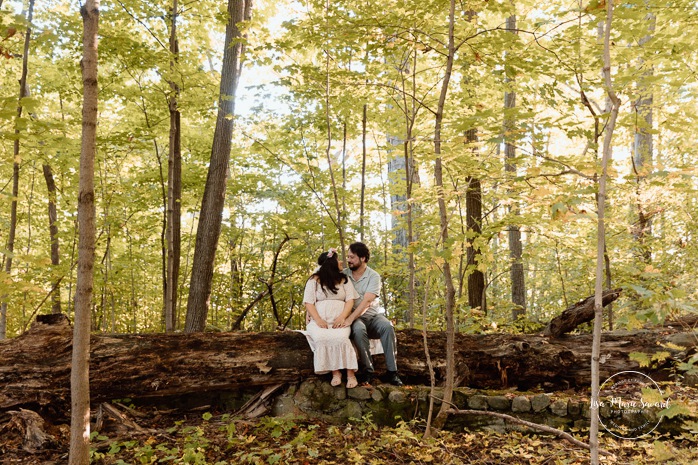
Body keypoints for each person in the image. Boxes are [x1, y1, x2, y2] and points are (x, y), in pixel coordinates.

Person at [334, 242, 403, 386]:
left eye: (352, 257)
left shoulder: (374, 276)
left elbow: (367, 302)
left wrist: (350, 319)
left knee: (387, 326)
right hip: (356, 320)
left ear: (363, 258)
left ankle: (392, 372)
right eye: (348, 257)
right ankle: (368, 372)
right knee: (358, 329)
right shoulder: (344, 275)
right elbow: (325, 281)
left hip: (372, 316)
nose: (349, 260)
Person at [303, 248, 359, 388]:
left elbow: (350, 300)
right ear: (331, 264)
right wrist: (318, 320)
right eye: (338, 260)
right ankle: (336, 373)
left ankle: (350, 374)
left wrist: (342, 318)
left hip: (339, 320)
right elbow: (308, 302)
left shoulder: (344, 280)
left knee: (341, 339)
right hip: (319, 321)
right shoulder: (313, 280)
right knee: (322, 338)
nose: (341, 262)